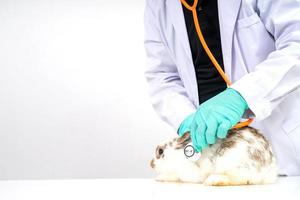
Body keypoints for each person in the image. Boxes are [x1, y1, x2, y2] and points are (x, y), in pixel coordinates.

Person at [143, 0, 300, 176]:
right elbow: (162, 75)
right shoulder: (158, 5)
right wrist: (187, 120)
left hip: (284, 148)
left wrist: (242, 96)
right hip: (211, 158)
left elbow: (296, 44)